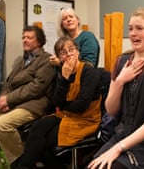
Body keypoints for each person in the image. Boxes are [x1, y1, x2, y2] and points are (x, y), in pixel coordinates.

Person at [87, 7, 144, 169]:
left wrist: (118, 148)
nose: (133, 33)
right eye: (130, 28)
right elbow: (111, 110)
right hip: (122, 136)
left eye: (139, 28)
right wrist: (119, 82)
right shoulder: (121, 62)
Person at [0, 25, 55, 165]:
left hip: (33, 105)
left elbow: (36, 88)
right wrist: (3, 99)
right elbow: (8, 83)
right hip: (12, 104)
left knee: (0, 125)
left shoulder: (46, 60)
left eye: (29, 38)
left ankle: (21, 164)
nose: (25, 40)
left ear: (39, 41)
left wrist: (9, 99)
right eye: (23, 37)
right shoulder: (21, 61)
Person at [10, 36, 102, 169]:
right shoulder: (61, 71)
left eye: (71, 50)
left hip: (85, 119)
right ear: (59, 57)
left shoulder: (88, 72)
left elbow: (82, 105)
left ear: (78, 52)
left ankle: (21, 165)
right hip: (66, 115)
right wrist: (64, 78)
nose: (69, 54)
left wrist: (64, 105)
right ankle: (24, 165)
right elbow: (57, 101)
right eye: (63, 52)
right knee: (37, 127)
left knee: (43, 144)